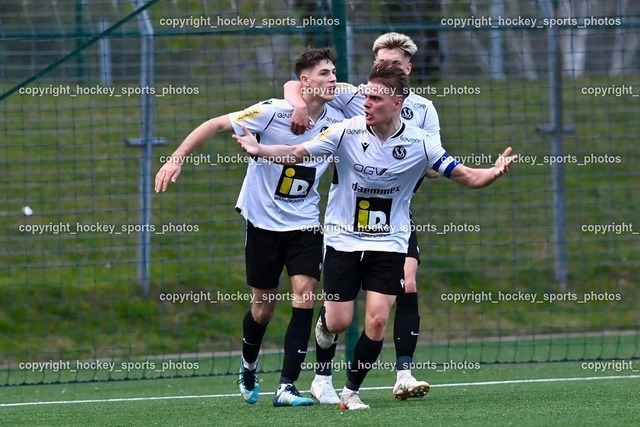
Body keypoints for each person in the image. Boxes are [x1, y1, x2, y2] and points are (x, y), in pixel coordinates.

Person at [234, 60, 516, 409]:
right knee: (339, 321)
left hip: (389, 241)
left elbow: (467, 176)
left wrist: (493, 172)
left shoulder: (421, 142)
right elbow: (296, 151)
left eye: (376, 100)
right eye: (366, 97)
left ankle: (350, 391)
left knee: (378, 319)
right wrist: (260, 149)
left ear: (397, 104)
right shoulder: (345, 131)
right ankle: (325, 340)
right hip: (343, 238)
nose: (366, 104)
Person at [155, 48, 345, 407]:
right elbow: (214, 125)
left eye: (333, 72)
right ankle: (248, 364)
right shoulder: (272, 111)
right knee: (263, 309)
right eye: (324, 73)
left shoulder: (338, 118)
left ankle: (287, 386)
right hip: (262, 223)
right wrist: (175, 159)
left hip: (305, 222)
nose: (332, 78)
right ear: (305, 81)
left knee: (304, 297)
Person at [284, 32, 437, 402]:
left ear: (407, 69)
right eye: (378, 63)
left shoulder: (424, 110)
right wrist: (300, 108)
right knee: (338, 317)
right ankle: (322, 375)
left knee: (408, 281)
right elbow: (297, 83)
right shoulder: (356, 95)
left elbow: (434, 166)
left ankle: (402, 373)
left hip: (393, 214)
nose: (383, 69)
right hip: (349, 216)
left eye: (393, 64)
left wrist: (408, 156)